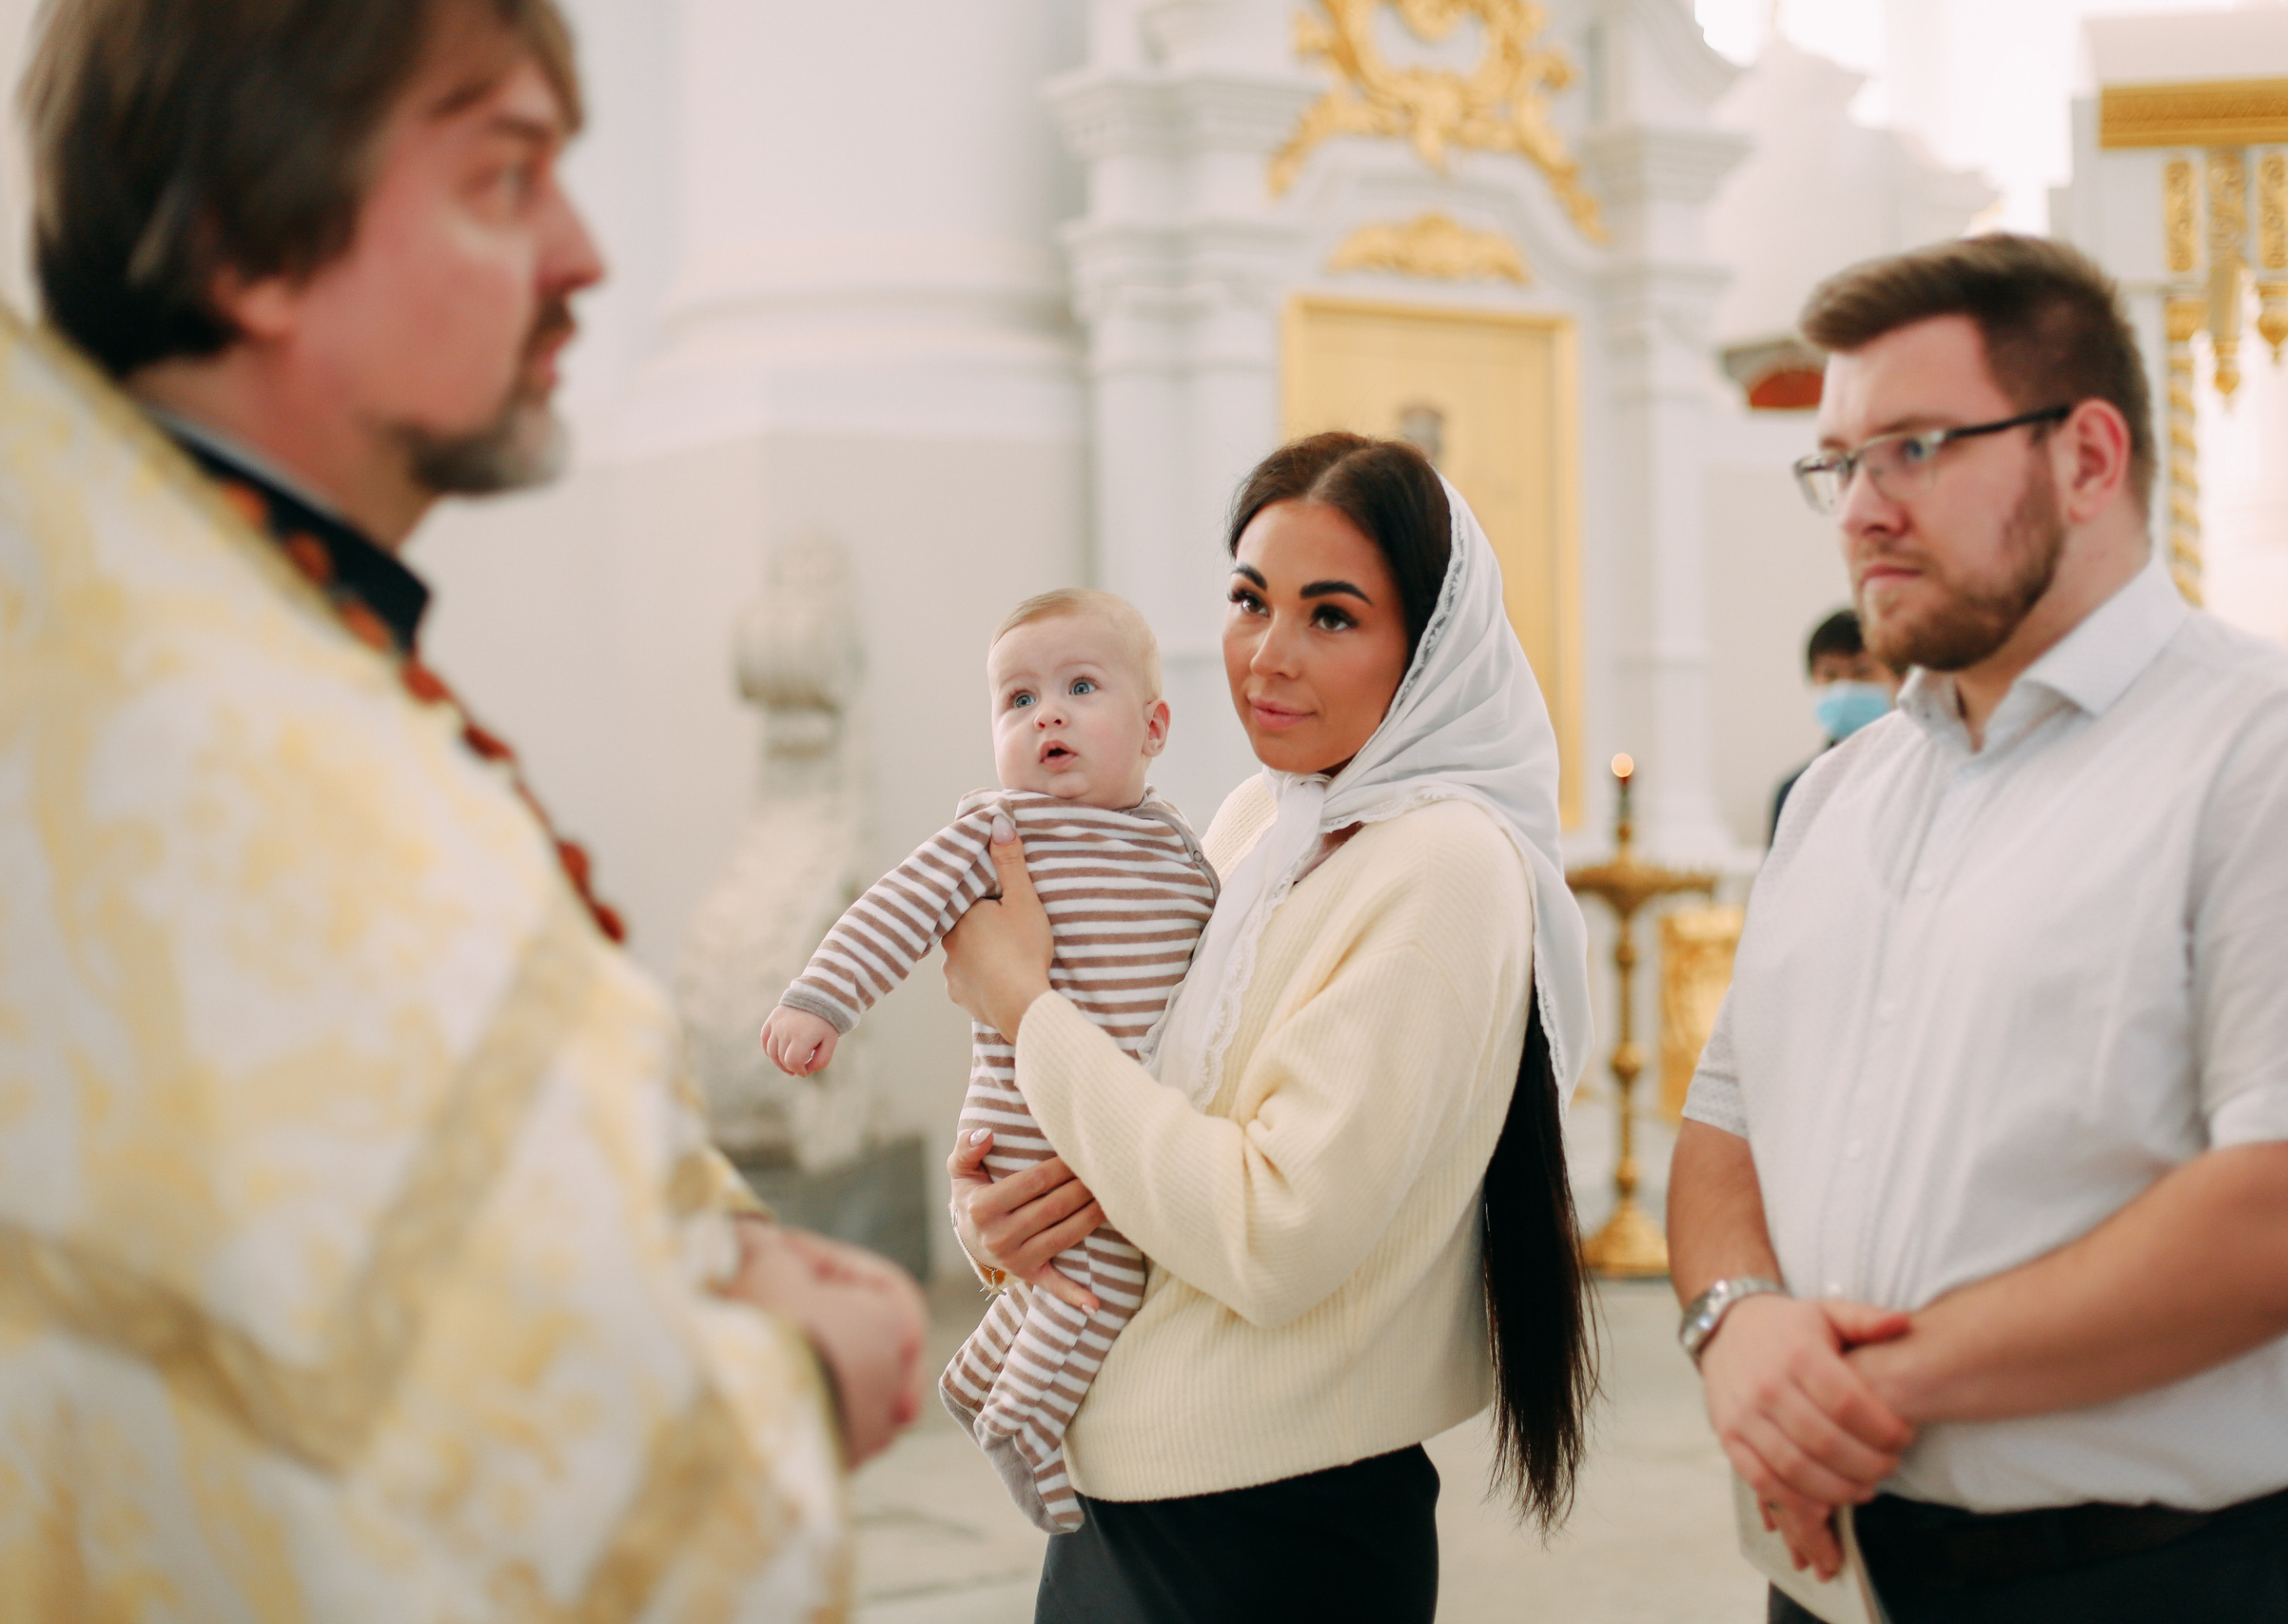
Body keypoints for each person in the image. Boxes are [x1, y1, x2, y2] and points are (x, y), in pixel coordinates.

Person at [0, 1, 926, 1614]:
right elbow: (441, 1486)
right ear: (249, 249)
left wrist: (705, 1248)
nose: (581, 258)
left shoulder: (167, 621)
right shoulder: (226, 763)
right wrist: (791, 1378)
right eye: (505, 182)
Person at [1668, 233, 2288, 1624]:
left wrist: (1872, 1385)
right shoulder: (1837, 797)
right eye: (1839, 463)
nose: (1860, 510)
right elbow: (1726, 1127)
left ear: (2088, 456)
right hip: (1846, 1575)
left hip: (2181, 1573)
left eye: (1912, 448)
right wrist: (1736, 1320)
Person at [938, 432, 1598, 1622]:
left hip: (1270, 1523)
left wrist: (1025, 1012)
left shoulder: (1443, 866)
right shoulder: (1262, 818)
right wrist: (1002, 1217)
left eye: (1331, 616)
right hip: (1127, 1493)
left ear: (1429, 646)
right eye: (1250, 601)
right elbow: (1139, 1097)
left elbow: (1274, 1231)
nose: (1268, 657)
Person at [762, 587, 1219, 1534]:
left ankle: (977, 1378)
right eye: (1016, 700)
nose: (1044, 714)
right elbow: (894, 911)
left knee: (1071, 1268)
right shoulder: (999, 830)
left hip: (1114, 1120)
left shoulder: (1181, 853)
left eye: (1079, 687)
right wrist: (822, 999)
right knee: (1104, 1282)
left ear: (1153, 726)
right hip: (1028, 1119)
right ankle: (1023, 1418)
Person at [1767, 608, 1901, 843]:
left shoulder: (1924, 772)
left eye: (1862, 672)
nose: (1844, 686)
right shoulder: (1796, 790)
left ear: (1899, 679)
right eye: (1829, 674)